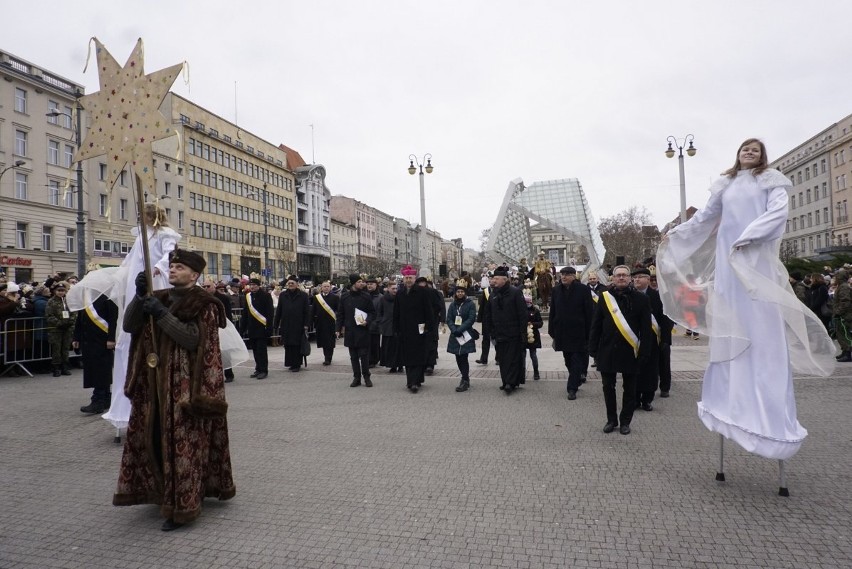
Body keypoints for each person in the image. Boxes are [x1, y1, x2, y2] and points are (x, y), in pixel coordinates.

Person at [657, 138, 835, 459]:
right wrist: (678, 234)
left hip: (753, 256)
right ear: (737, 154)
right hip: (728, 261)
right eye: (744, 150)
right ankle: (728, 398)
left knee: (760, 321)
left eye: (755, 150)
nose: (749, 154)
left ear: (762, 156)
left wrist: (748, 236)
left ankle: (765, 404)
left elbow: (777, 213)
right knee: (731, 318)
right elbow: (705, 218)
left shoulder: (771, 181)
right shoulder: (725, 184)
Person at [114, 248, 235, 531]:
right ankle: (160, 491)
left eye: (179, 267)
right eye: (172, 266)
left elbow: (193, 339)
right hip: (153, 385)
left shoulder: (204, 303)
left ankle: (183, 504)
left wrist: (162, 314)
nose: (172, 270)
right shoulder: (160, 297)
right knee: (154, 438)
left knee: (182, 445)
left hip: (183, 387)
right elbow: (131, 325)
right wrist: (139, 296)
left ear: (194, 275)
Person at [67, 203, 180, 431]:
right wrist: (118, 277)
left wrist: (157, 268)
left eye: (142, 214)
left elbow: (170, 255)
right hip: (136, 283)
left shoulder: (165, 234)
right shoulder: (141, 237)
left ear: (152, 216)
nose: (139, 217)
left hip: (157, 281)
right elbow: (129, 261)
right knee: (130, 324)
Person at [589, 265, 653, 435]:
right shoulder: (605, 298)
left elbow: (646, 330)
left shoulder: (641, 299)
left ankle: (625, 421)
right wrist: (593, 348)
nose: (622, 278)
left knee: (630, 389)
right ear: (613, 278)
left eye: (625, 275)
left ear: (630, 278)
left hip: (630, 351)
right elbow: (596, 324)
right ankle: (611, 420)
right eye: (618, 275)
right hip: (607, 349)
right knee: (608, 387)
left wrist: (645, 352)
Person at [548, 266, 594, 400]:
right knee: (568, 360)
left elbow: (589, 312)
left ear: (574, 276)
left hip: (578, 332)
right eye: (562, 274)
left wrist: (589, 332)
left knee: (576, 359)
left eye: (567, 274)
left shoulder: (583, 289)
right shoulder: (556, 290)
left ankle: (572, 388)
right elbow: (553, 311)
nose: (563, 277)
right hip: (562, 331)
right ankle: (576, 377)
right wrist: (552, 329)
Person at [632, 267, 674, 407]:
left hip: (654, 339)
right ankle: (635, 398)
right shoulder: (628, 295)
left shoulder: (658, 297)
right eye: (635, 277)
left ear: (648, 280)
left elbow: (665, 320)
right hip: (634, 339)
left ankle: (649, 398)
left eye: (640, 277)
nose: (637, 280)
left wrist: (665, 340)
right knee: (636, 370)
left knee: (653, 369)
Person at [73, 292, 118, 413]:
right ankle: (106, 397)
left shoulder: (108, 297)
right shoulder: (87, 297)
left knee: (102, 369)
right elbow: (80, 318)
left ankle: (98, 400)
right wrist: (76, 337)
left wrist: (111, 338)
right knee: (96, 369)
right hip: (89, 341)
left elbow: (113, 319)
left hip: (102, 340)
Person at [486, 266, 527, 395]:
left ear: (504, 279)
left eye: (497, 279)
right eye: (494, 278)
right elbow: (489, 314)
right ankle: (505, 381)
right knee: (502, 359)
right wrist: (490, 330)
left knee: (513, 358)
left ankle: (511, 382)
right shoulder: (493, 294)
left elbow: (522, 313)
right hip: (499, 333)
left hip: (513, 332)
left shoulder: (515, 292)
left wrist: (522, 331)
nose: (494, 281)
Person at [394, 266, 434, 393]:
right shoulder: (400, 293)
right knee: (408, 356)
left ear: (414, 278)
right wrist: (396, 328)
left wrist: (428, 327)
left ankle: (415, 381)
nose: (408, 280)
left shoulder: (423, 292)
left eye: (410, 278)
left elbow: (428, 311)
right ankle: (410, 381)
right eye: (406, 278)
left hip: (419, 328)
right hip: (405, 329)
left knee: (418, 355)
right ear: (403, 279)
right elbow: (396, 312)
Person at [336, 274, 375, 387]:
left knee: (364, 355)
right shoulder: (344, 297)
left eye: (362, 281)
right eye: (359, 282)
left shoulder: (366, 296)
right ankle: (356, 377)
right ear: (353, 283)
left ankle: (367, 376)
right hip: (350, 330)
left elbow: (372, 312)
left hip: (362, 330)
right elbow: (340, 314)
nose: (362, 284)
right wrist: (338, 328)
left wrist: (367, 321)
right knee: (353, 357)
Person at [274, 275, 311, 373]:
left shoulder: (303, 295)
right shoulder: (283, 295)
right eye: (289, 283)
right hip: (286, 324)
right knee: (288, 344)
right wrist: (276, 323)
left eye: (292, 283)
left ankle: (297, 364)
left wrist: (306, 324)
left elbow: (307, 311)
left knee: (296, 345)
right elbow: (279, 310)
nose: (290, 285)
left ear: (297, 284)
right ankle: (290, 363)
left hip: (298, 324)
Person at [446, 281, 477, 392]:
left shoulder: (470, 304)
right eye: (458, 291)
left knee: (464, 357)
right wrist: (454, 330)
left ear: (465, 293)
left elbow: (471, 318)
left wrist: (460, 329)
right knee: (458, 357)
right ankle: (465, 377)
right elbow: (449, 318)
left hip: (465, 334)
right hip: (455, 335)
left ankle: (464, 379)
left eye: (461, 291)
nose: (460, 293)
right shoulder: (452, 305)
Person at [240, 278, 273, 379]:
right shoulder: (248, 296)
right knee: (254, 350)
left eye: (254, 284)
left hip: (262, 328)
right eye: (251, 285)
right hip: (252, 328)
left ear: (259, 285)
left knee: (261, 350)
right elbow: (245, 313)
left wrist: (269, 328)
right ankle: (258, 368)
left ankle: (264, 370)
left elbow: (270, 313)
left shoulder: (266, 296)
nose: (252, 286)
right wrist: (243, 328)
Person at [45, 281, 77, 377]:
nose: (61, 292)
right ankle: (56, 368)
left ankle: (65, 367)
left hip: (68, 328)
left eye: (63, 290)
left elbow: (74, 312)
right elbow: (49, 315)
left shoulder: (68, 301)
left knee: (65, 348)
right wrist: (59, 323)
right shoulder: (51, 301)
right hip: (56, 329)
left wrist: (70, 322)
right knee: (56, 349)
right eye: (59, 290)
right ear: (55, 291)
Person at [208, 280, 236, 382]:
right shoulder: (203, 298)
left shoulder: (223, 298)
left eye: (208, 286)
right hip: (209, 328)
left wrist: (227, 328)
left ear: (213, 286)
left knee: (225, 351)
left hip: (222, 326)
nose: (206, 288)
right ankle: (214, 375)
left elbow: (228, 314)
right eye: (204, 286)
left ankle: (229, 374)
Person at [417, 277, 445, 376]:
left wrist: (434, 316)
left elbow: (439, 306)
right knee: (421, 342)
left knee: (431, 343)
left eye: (423, 283)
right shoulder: (415, 293)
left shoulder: (432, 292)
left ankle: (430, 364)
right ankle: (423, 363)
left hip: (431, 322)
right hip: (420, 323)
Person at [311, 281, 339, 365]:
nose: (326, 288)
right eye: (324, 286)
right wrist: (310, 321)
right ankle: (326, 356)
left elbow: (338, 310)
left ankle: (328, 358)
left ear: (330, 287)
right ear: (321, 288)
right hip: (320, 322)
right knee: (323, 341)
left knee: (330, 341)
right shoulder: (317, 298)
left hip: (331, 322)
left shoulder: (335, 297)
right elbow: (313, 310)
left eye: (327, 286)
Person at [376, 282, 401, 372]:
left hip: (398, 326)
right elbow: (379, 312)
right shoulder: (383, 299)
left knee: (399, 347)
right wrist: (381, 322)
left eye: (396, 288)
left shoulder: (400, 298)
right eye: (393, 288)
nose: (395, 290)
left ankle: (400, 364)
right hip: (387, 326)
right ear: (388, 289)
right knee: (389, 347)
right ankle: (392, 365)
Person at [475, 272, 495, 365]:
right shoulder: (486, 291)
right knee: (485, 340)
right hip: (486, 319)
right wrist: (480, 318)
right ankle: (484, 358)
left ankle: (498, 358)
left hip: (496, 320)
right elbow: (482, 305)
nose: (491, 281)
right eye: (490, 279)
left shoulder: (499, 290)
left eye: (493, 279)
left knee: (497, 339)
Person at [522, 291, 543, 380]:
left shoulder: (535, 311)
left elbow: (540, 323)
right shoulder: (521, 310)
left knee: (533, 355)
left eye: (528, 302)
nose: (527, 304)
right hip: (523, 335)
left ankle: (536, 372)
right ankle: (522, 373)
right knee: (522, 356)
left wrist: (532, 324)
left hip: (533, 336)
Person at [833, 268, 852, 362]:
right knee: (840, 334)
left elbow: (845, 301)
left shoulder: (844, 287)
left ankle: (848, 353)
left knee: (845, 334)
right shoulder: (841, 286)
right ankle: (845, 351)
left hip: (845, 315)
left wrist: (838, 312)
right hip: (842, 315)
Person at [365, 277, 383, 368]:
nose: (369, 286)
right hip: (365, 323)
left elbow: (380, 312)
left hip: (375, 324)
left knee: (374, 343)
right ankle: (367, 359)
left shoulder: (380, 297)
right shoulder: (364, 295)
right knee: (366, 343)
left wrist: (376, 322)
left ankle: (374, 360)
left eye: (371, 284)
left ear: (376, 285)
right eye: (368, 284)